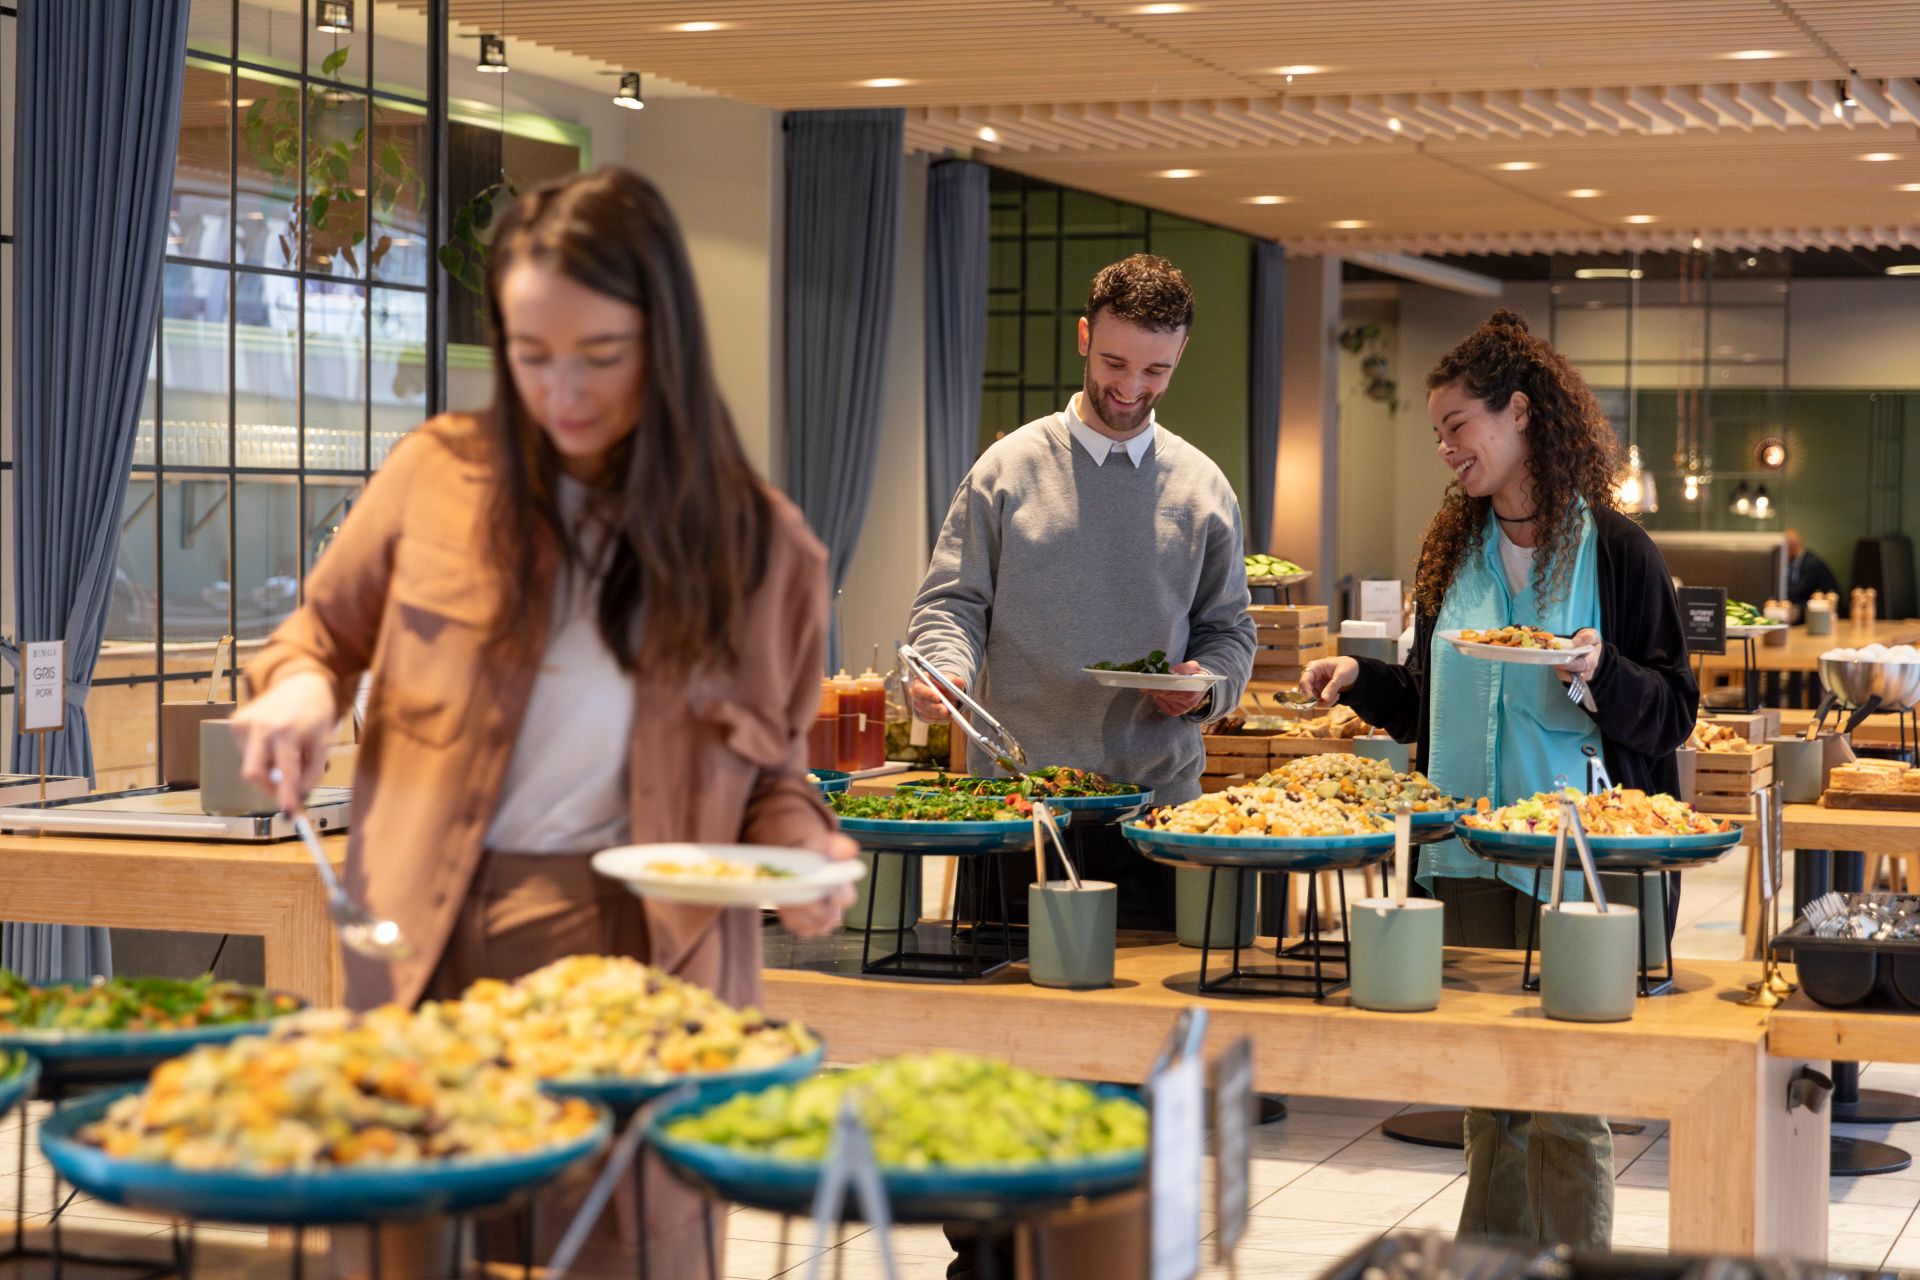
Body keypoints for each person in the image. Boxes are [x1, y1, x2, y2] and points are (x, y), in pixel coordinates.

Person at [231, 167, 856, 1278]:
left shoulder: (764, 549)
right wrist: (300, 688)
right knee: (405, 1242)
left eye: (600, 357)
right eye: (531, 355)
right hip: (425, 941)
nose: (562, 390)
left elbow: (773, 779)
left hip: (638, 965)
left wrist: (804, 851)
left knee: (617, 1248)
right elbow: (316, 635)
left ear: (664, 341)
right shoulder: (435, 476)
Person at [1301, 309, 1696, 1250]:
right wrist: (1366, 682)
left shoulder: (1619, 553)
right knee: (1488, 1096)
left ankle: (1577, 1266)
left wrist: (1603, 672)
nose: (1445, 448)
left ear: (1521, 414)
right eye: (1437, 431)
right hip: (1466, 852)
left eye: (1457, 426)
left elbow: (1673, 710)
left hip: (1580, 860)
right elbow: (1440, 699)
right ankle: (1487, 1269)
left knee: (1569, 1100)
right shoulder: (1455, 552)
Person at [906, 252, 1257, 931]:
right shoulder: (1005, 470)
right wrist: (945, 666)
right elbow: (953, 603)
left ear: (1180, 356)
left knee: (1156, 1022)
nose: (1131, 388)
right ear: (1084, 339)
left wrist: (1207, 685)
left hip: (1159, 815)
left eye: (1157, 370)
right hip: (1017, 809)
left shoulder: (1202, 485)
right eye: (1115, 365)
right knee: (1006, 1029)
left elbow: (1229, 631)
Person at [1785, 527, 1842, 619]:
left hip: (1826, 613)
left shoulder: (1811, 564)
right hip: (1812, 609)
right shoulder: (1799, 561)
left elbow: (1796, 592)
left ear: (1790, 547)